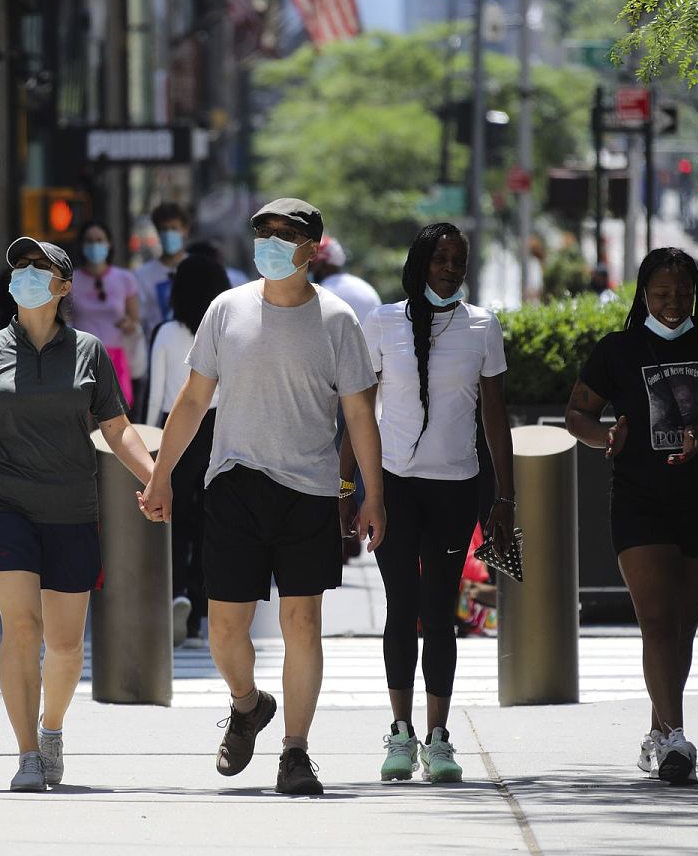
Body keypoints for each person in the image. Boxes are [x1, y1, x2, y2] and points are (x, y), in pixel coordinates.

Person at [137, 197, 385, 796]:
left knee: (303, 624)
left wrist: (371, 494)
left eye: (285, 233)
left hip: (310, 490)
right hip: (233, 485)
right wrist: (160, 473)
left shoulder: (337, 320)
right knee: (224, 630)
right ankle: (248, 704)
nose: (271, 242)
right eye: (264, 232)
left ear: (312, 248)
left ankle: (295, 752)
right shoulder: (226, 309)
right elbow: (193, 399)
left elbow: (359, 413)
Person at [0, 236, 155, 793]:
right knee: (21, 629)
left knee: (63, 642)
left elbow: (116, 426)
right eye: (19, 267)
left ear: (62, 287)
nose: (26, 274)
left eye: (39, 268)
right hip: (4, 504)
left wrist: (155, 478)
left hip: (72, 507)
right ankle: (27, 754)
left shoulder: (89, 350)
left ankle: (51, 728)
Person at [563, 247, 698, 786]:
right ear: (643, 294)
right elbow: (576, 413)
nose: (672, 302)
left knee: (683, 628)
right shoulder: (617, 349)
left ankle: (660, 735)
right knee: (655, 620)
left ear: (694, 293)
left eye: (681, 292)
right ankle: (675, 737)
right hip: (638, 501)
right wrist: (605, 435)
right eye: (661, 292)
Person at [341, 222, 514, 785]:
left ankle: (438, 737)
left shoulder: (483, 327)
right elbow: (360, 413)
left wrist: (504, 496)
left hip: (455, 488)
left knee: (441, 612)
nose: (450, 268)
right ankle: (400, 731)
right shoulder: (383, 323)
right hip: (392, 487)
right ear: (421, 263)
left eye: (458, 259)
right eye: (440, 258)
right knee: (401, 607)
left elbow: (494, 420)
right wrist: (349, 489)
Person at [144, 254, 230, 646]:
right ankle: (202, 607)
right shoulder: (228, 331)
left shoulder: (165, 333)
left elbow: (155, 395)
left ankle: (176, 592)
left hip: (173, 431)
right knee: (213, 523)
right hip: (219, 429)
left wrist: (149, 451)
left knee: (172, 519)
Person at [67, 220, 141, 406]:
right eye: (89, 241)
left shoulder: (125, 279)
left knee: (116, 421)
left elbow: (135, 321)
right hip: (80, 359)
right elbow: (64, 320)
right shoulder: (70, 281)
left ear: (109, 244)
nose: (95, 245)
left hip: (115, 359)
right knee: (84, 419)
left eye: (99, 240)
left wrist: (128, 324)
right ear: (82, 246)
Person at [134, 201, 192, 337]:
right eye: (164, 229)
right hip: (155, 349)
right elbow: (139, 320)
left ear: (185, 230)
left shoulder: (198, 270)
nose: (168, 234)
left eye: (174, 228)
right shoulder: (142, 275)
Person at [311, 235, 380, 325]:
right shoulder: (364, 286)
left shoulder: (323, 292)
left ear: (323, 265)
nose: (307, 270)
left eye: (310, 265)